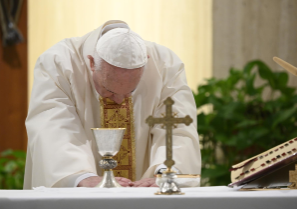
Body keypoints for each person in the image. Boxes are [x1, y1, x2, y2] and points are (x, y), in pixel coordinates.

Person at [24, 20, 201, 189]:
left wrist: (164, 174)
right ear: (92, 62)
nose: (119, 101)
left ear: (145, 62)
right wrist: (81, 176)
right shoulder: (59, 62)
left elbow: (177, 129)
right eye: (109, 90)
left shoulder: (165, 64)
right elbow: (52, 127)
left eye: (130, 92)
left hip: (146, 196)